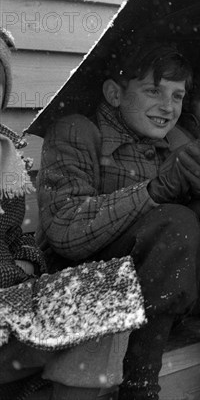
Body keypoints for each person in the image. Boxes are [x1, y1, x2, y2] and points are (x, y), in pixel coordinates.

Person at [37, 42, 200, 400]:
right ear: (114, 93)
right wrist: (153, 191)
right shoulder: (75, 131)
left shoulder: (174, 140)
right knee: (174, 221)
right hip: (79, 288)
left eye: (178, 96)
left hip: (156, 294)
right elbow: (65, 230)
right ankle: (140, 388)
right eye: (154, 91)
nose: (168, 107)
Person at [0, 27, 143, 400]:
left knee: (110, 291)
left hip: (12, 308)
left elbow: (16, 236)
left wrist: (27, 261)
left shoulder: (5, 157)